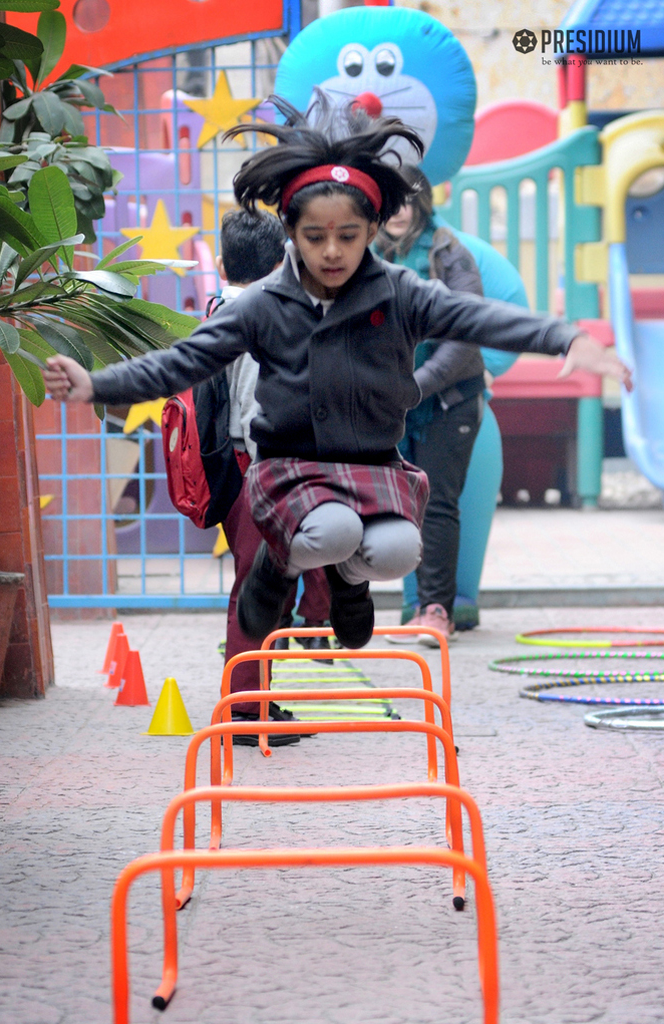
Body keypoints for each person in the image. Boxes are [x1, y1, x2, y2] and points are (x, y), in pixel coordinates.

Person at [42, 92, 632, 671]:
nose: (331, 252)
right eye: (314, 236)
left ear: (372, 228)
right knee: (332, 530)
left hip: (371, 463)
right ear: (290, 232)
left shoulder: (400, 291)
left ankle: (351, 585)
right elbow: (181, 362)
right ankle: (279, 568)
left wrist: (567, 339)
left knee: (396, 549)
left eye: (347, 236)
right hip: (289, 466)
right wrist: (95, 384)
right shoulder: (263, 303)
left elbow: (477, 316)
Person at [214, 208, 331, 745]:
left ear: (221, 262)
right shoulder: (263, 316)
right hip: (262, 469)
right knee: (257, 590)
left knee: (267, 588)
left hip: (241, 470)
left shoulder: (223, 308)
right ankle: (245, 712)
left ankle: (260, 700)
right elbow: (254, 408)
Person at [375, 165, 486, 644]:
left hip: (450, 401)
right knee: (398, 506)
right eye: (390, 202)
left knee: (437, 502)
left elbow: (467, 335)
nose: (398, 212)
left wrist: (415, 385)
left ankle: (437, 610)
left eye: (407, 201)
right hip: (393, 406)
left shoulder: (447, 251)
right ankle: (414, 605)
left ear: (420, 204)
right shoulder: (367, 254)